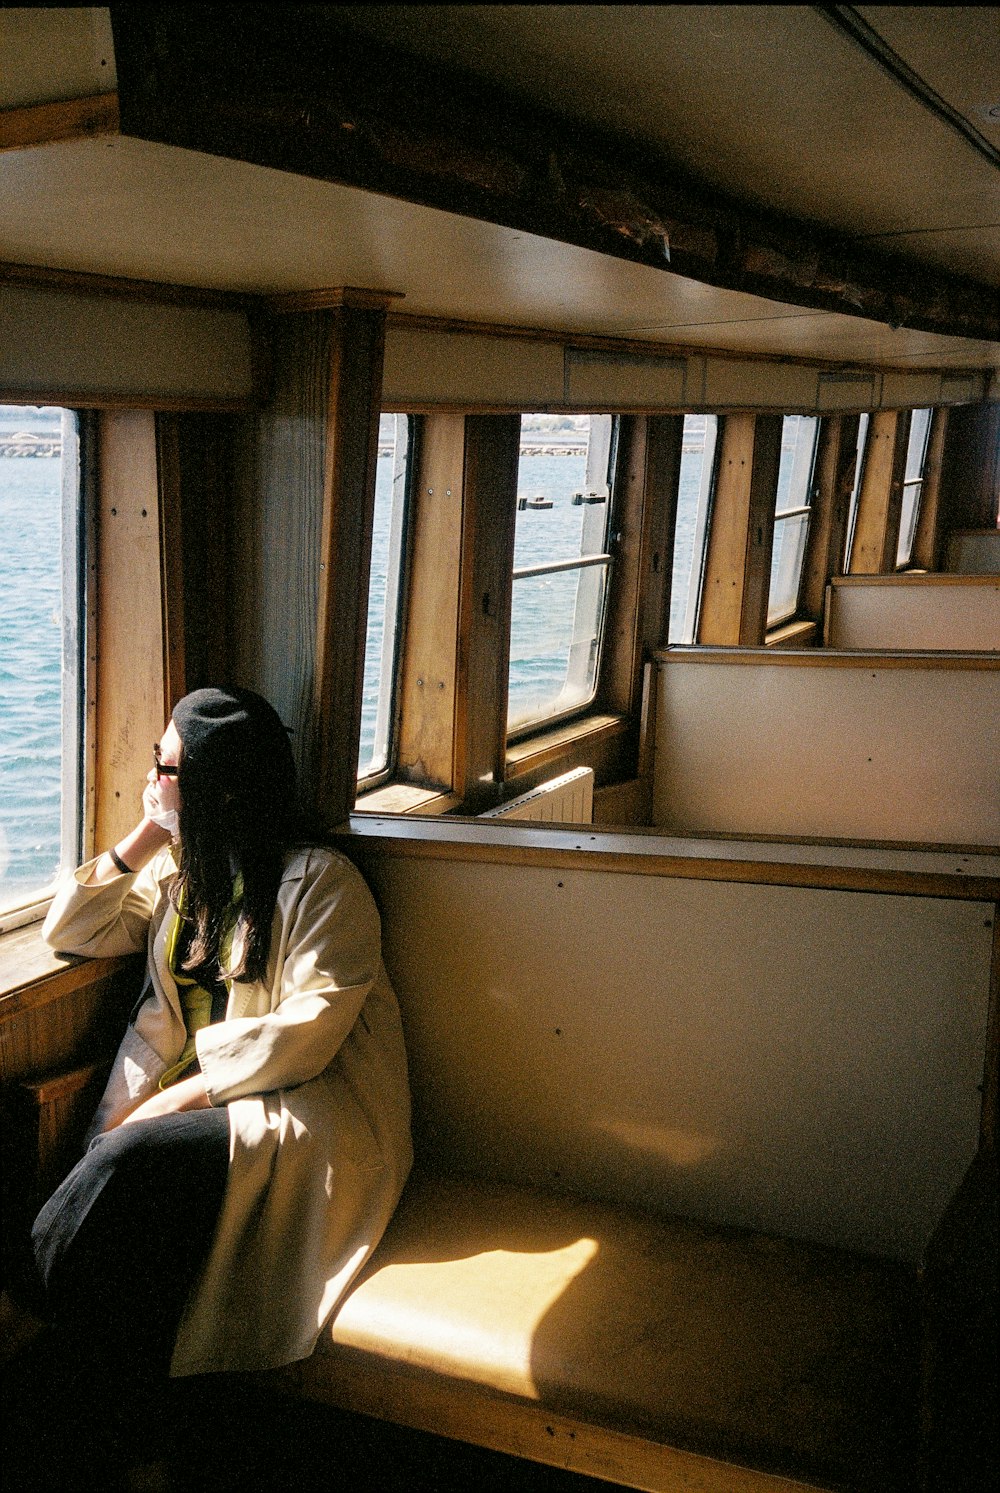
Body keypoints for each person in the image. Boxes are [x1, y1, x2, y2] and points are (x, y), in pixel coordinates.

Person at [2, 686, 412, 1398]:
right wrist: (151, 831)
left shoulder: (320, 882)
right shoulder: (183, 874)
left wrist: (174, 1100)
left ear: (216, 792)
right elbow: (71, 927)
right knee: (133, 1232)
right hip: (197, 1102)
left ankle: (21, 1312)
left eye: (164, 766)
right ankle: (123, 1417)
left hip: (297, 1111)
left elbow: (306, 1034)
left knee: (132, 1158)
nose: (150, 776)